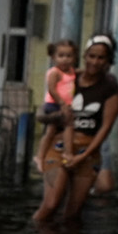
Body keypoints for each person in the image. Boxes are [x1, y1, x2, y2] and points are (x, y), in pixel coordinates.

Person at [33, 35, 118, 223]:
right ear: (84, 56)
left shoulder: (111, 90)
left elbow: (105, 129)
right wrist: (59, 116)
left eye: (101, 58)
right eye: (91, 56)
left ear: (108, 61)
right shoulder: (68, 77)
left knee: (72, 214)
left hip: (88, 151)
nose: (95, 62)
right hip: (60, 145)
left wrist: (83, 157)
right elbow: (43, 110)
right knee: (51, 204)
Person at [31, 38, 80, 175]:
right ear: (54, 57)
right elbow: (52, 90)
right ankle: (67, 153)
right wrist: (62, 104)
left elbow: (77, 73)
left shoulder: (71, 71)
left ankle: (42, 156)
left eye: (69, 56)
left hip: (63, 105)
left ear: (74, 57)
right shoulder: (55, 72)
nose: (65, 59)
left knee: (55, 130)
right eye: (61, 56)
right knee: (67, 125)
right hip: (53, 105)